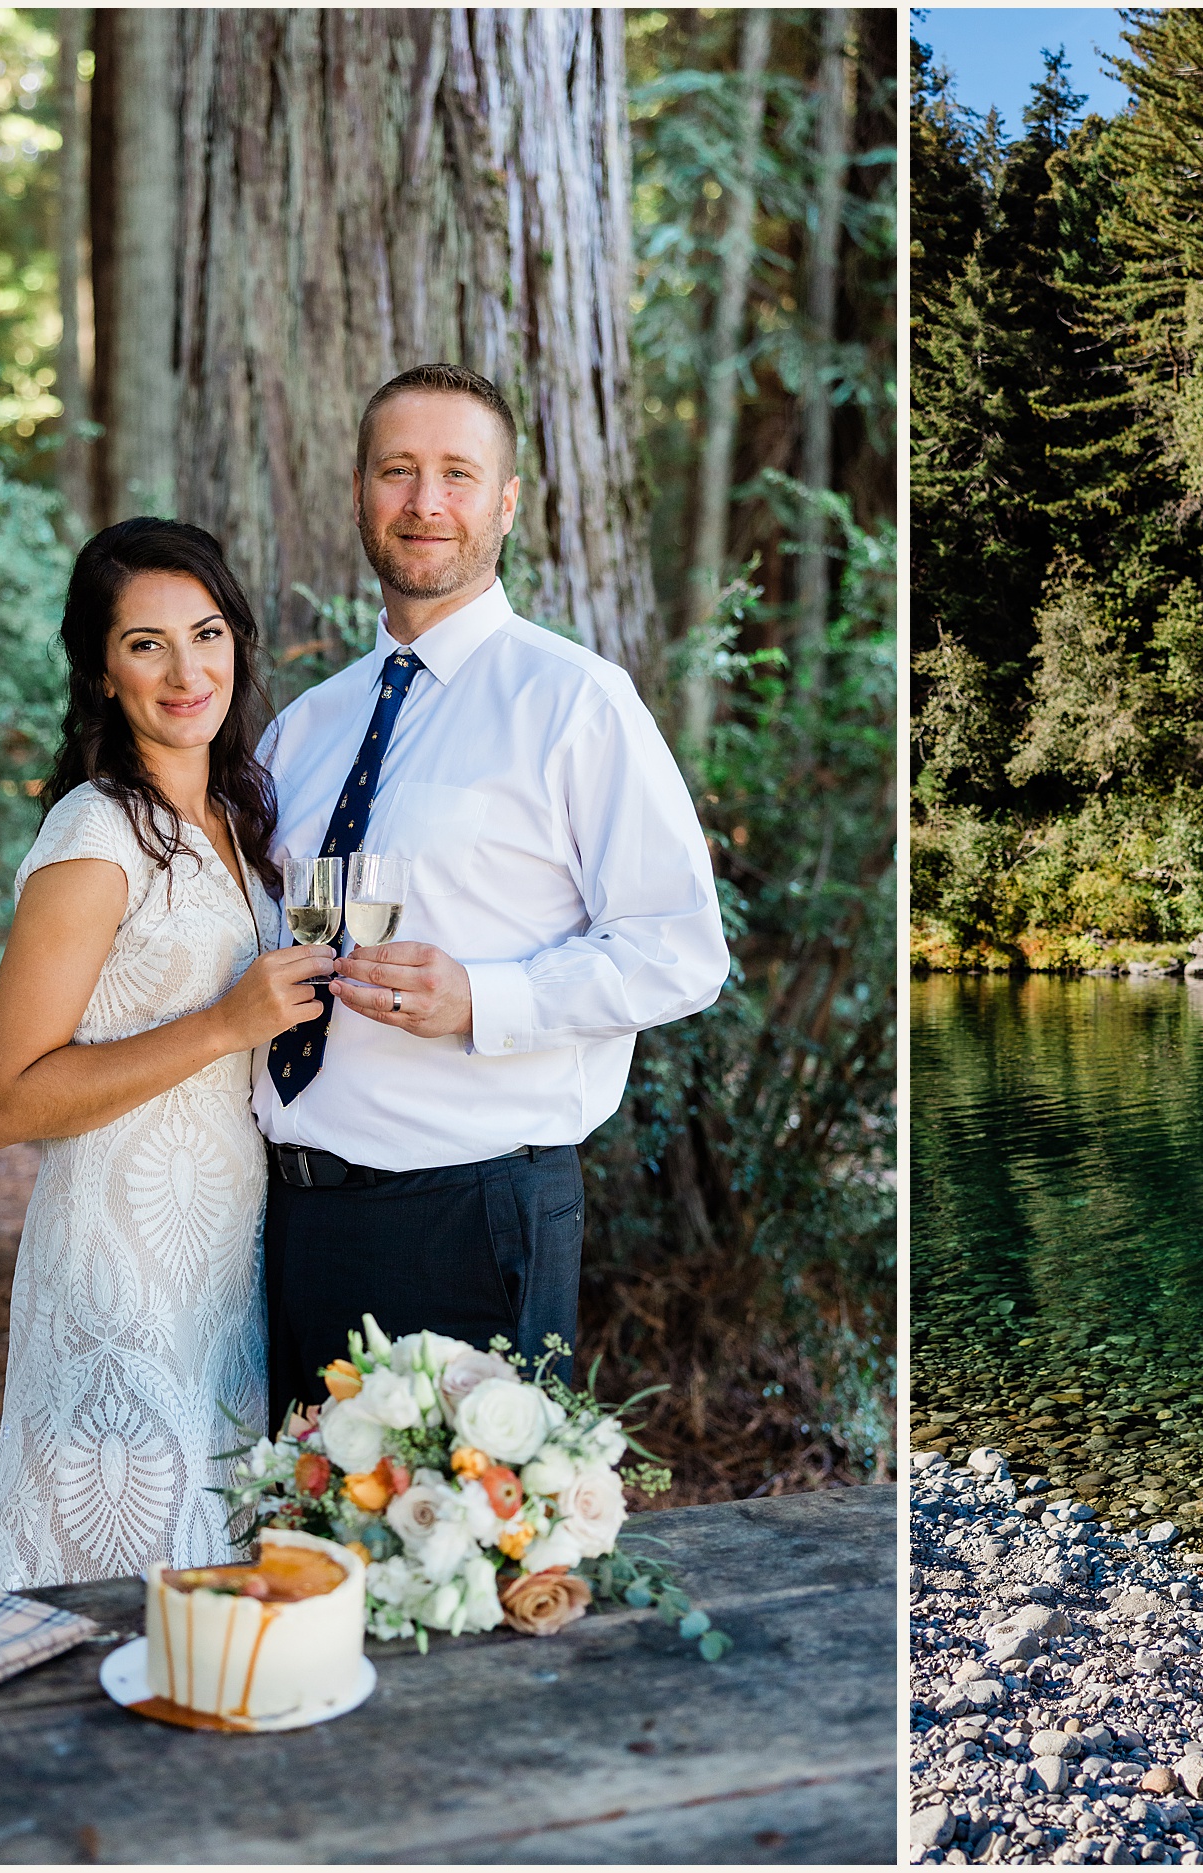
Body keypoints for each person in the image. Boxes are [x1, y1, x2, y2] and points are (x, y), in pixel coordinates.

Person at [254, 362, 729, 1427]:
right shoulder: (304, 729)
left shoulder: (577, 703)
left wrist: (486, 998)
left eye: (457, 474)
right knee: (302, 1561)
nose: (426, 502)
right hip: (285, 1222)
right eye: (398, 471)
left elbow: (681, 952)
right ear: (361, 492)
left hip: (468, 1217)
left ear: (506, 503)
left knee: (460, 1573)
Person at [0, 520, 339, 1588]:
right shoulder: (93, 834)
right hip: (118, 1257)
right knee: (112, 1557)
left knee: (210, 1553)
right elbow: (2, 1101)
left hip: (228, 1251)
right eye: (146, 644)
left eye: (205, 633)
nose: (185, 671)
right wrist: (221, 1022)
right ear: (101, 670)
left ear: (239, 643)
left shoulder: (241, 815)